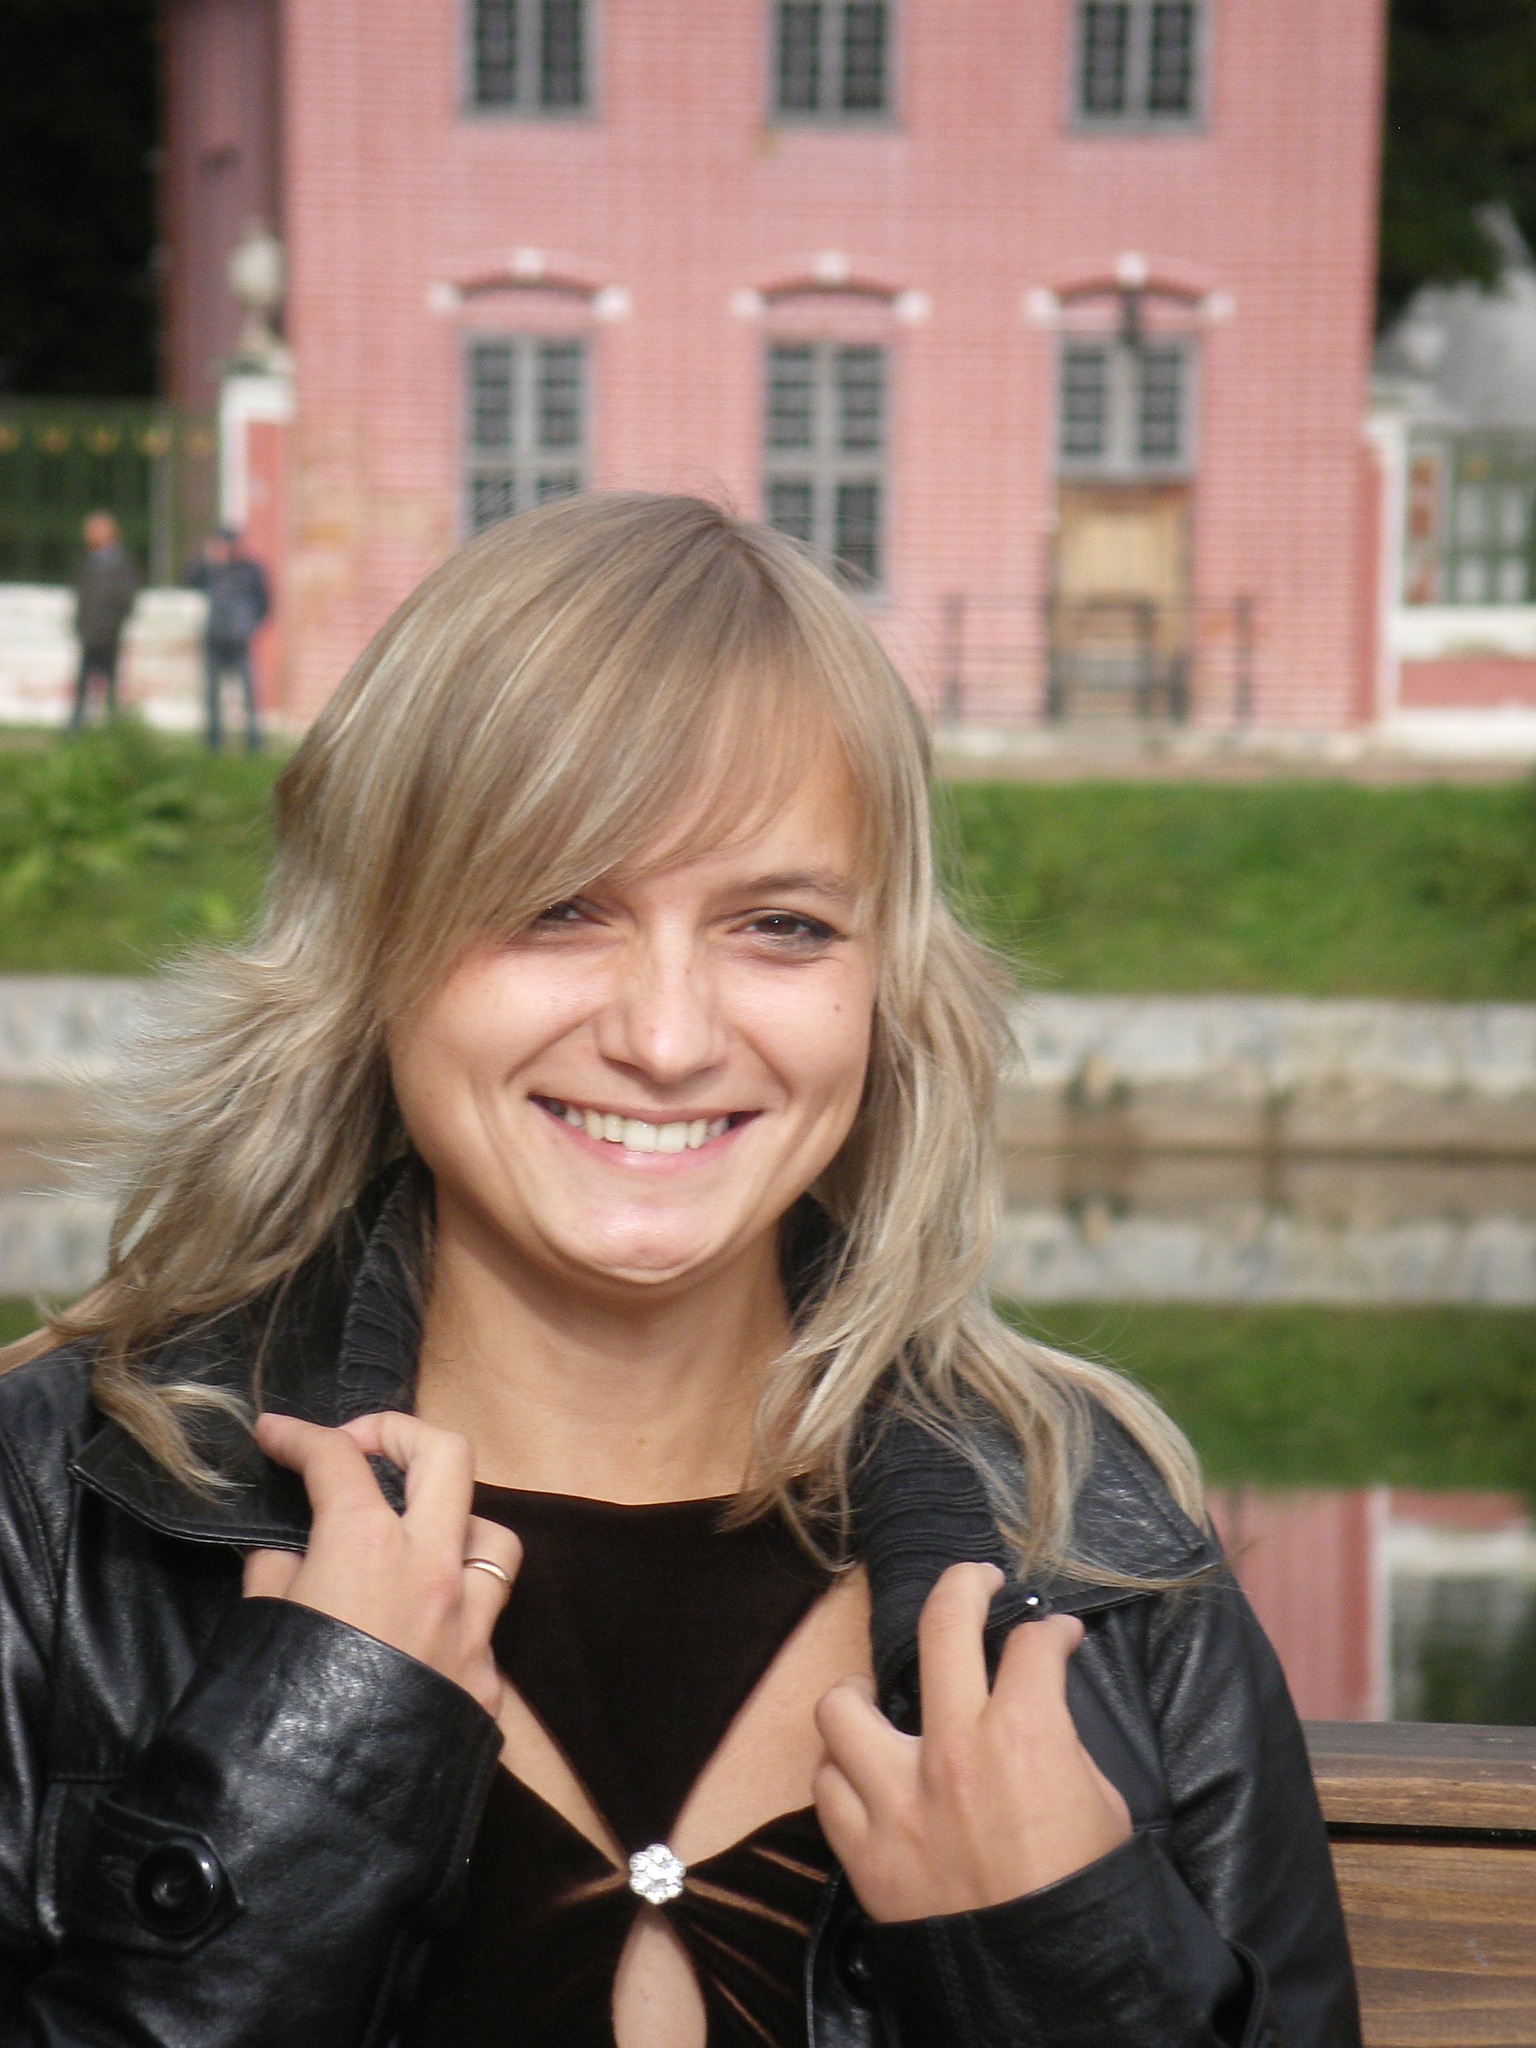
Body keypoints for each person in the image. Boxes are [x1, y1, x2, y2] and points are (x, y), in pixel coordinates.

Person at [0, 495, 1359, 2047]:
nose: (666, 1037)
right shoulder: (54, 1514)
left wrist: (1060, 1966)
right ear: (372, 948)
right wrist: (297, 1802)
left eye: (781, 925)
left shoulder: (1096, 1541)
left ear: (887, 987)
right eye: (556, 909)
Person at [185, 525, 270, 751]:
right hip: (214, 638)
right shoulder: (211, 569)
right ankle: (214, 740)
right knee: (213, 692)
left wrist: (249, 626)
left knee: (249, 692)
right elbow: (190, 581)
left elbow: (264, 603)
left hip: (239, 640)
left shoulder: (250, 570)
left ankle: (253, 739)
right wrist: (207, 560)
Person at [68, 511, 139, 729]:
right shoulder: (89, 563)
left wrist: (112, 623)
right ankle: (77, 726)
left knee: (111, 683)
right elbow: (82, 597)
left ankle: (113, 727)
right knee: (83, 683)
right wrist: (80, 625)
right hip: (89, 634)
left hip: (108, 634)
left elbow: (127, 598)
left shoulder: (121, 563)